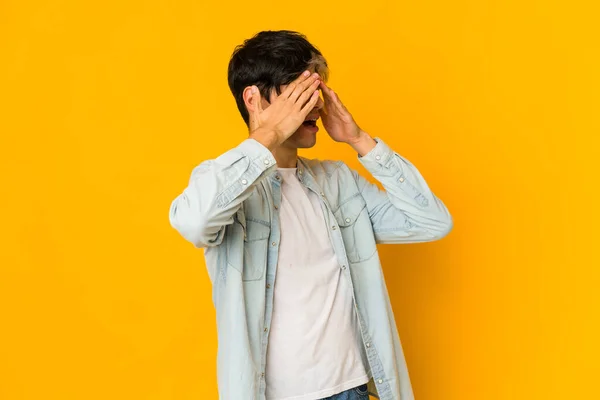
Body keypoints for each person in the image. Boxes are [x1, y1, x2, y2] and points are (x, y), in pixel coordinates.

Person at [169, 30, 453, 400]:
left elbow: (431, 221)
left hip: (352, 390)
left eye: (315, 91)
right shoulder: (223, 186)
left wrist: (358, 139)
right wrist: (270, 133)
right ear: (252, 98)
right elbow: (194, 221)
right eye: (298, 93)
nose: (313, 105)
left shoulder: (337, 182)